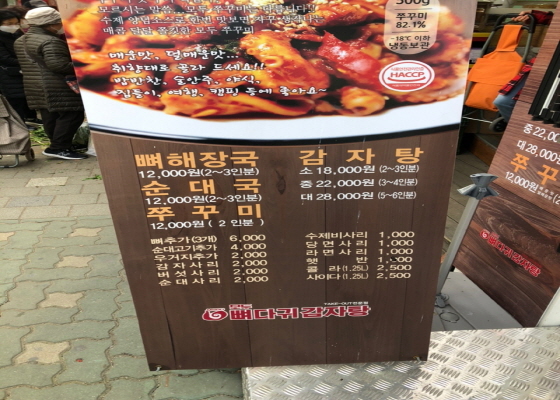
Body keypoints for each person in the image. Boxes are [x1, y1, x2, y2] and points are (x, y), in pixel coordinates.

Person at [14, 7, 87, 160]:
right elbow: (58, 65)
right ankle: (59, 148)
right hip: (55, 85)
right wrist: (83, 64)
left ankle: (59, 145)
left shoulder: (21, 40)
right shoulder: (51, 41)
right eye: (58, 22)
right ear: (51, 24)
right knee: (73, 113)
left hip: (34, 84)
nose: (61, 24)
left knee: (50, 116)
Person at [492, 10, 553, 131]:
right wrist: (532, 15)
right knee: (503, 102)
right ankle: (520, 132)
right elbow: (551, 19)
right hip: (546, 63)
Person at [0, 8, 36, 122]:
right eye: (9, 24)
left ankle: (31, 120)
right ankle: (21, 123)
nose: (13, 26)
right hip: (8, 74)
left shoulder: (17, 34)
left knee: (27, 99)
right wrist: (26, 61)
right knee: (16, 101)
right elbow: (5, 58)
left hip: (22, 72)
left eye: (16, 23)